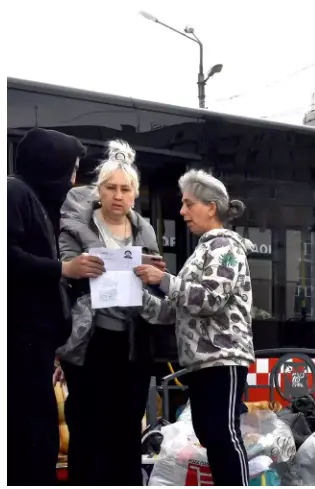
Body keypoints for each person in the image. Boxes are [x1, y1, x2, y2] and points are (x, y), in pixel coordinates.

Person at [135, 169, 257, 486]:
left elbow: (209, 300)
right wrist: (135, 293)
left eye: (189, 204)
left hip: (223, 357)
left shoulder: (225, 249)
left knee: (222, 434)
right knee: (211, 433)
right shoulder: (203, 249)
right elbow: (174, 311)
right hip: (202, 361)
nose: (182, 212)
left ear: (211, 207)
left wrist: (161, 279)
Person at [57, 141, 163, 485]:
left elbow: (156, 284)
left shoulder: (144, 230)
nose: (118, 195)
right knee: (87, 426)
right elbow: (61, 275)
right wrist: (76, 268)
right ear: (98, 191)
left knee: (127, 426)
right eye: (110, 187)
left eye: (125, 189)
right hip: (89, 343)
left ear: (135, 194)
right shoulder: (77, 226)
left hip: (133, 343)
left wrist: (153, 274)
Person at [7, 128, 102, 486]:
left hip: (35, 345)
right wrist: (63, 268)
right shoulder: (14, 191)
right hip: (20, 343)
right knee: (31, 435)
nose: (74, 178)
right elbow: (8, 257)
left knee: (40, 432)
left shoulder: (33, 199)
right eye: (71, 168)